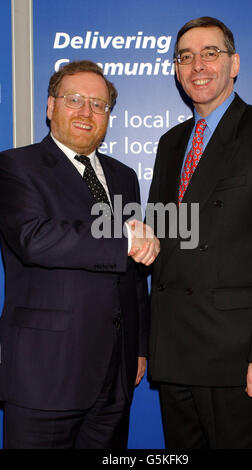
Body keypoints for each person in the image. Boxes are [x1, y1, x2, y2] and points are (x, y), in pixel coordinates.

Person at [147, 17, 252, 449]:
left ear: (235, 63)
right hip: (173, 350)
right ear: (176, 70)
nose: (197, 66)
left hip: (235, 356)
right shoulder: (171, 142)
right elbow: (162, 237)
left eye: (210, 53)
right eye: (185, 57)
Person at [0, 60, 159, 449]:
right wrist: (123, 239)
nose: (87, 112)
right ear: (51, 106)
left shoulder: (123, 176)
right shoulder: (15, 166)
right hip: (45, 376)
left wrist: (138, 348)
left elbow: (134, 272)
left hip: (114, 376)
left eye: (99, 104)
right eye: (75, 100)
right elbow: (33, 238)